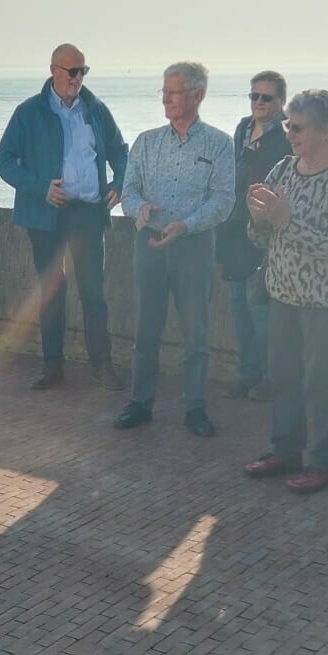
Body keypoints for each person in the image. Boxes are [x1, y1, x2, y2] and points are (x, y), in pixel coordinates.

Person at [242, 90, 328, 495]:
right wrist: (258, 217)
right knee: (284, 376)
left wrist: (283, 220)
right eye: (287, 126)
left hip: (325, 301)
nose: (289, 133)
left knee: (320, 381)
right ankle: (286, 450)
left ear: (326, 131)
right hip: (283, 293)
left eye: (297, 127)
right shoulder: (285, 168)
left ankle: (324, 462)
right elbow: (264, 238)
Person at [0, 44, 129, 391]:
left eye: (83, 71)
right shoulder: (29, 113)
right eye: (72, 72)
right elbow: (4, 160)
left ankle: (102, 366)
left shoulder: (95, 110)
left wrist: (118, 183)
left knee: (93, 292)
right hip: (45, 213)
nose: (78, 78)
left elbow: (119, 150)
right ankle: (53, 367)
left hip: (87, 211)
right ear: (54, 70)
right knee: (52, 291)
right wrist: (40, 187)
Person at [113, 63, 236, 435]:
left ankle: (195, 408)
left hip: (194, 247)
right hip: (148, 243)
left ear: (197, 96)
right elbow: (128, 190)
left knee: (196, 332)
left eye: (174, 91)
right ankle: (140, 403)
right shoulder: (146, 142)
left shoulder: (219, 144)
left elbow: (224, 200)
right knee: (145, 329)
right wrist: (139, 209)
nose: (166, 98)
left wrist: (186, 225)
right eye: (163, 91)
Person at [217, 71, 292, 402]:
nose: (259, 103)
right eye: (254, 96)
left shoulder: (288, 135)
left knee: (259, 308)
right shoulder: (242, 128)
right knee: (238, 306)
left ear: (281, 101)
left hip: (264, 233)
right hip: (234, 230)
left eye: (266, 98)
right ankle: (248, 374)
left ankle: (270, 378)